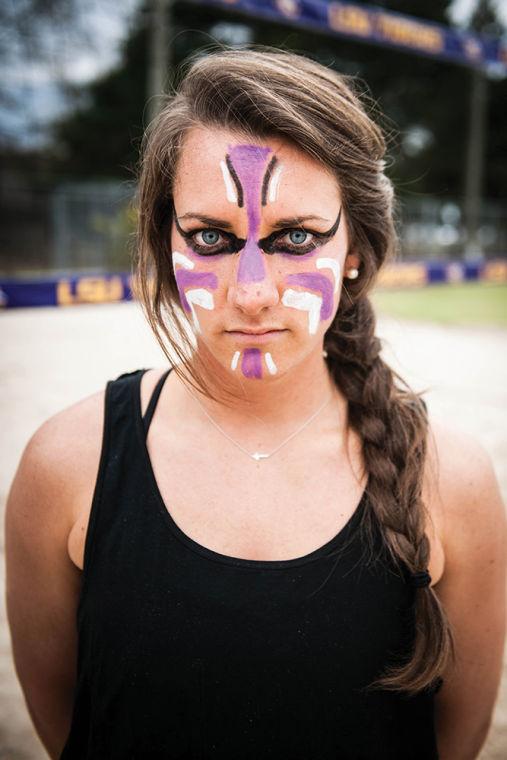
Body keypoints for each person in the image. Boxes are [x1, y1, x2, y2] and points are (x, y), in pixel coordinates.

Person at [5, 47, 506, 760]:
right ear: (162, 241)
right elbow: (69, 725)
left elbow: (454, 740)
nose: (251, 291)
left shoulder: (451, 479)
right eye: (209, 237)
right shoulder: (65, 464)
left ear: (356, 246)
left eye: (295, 237)